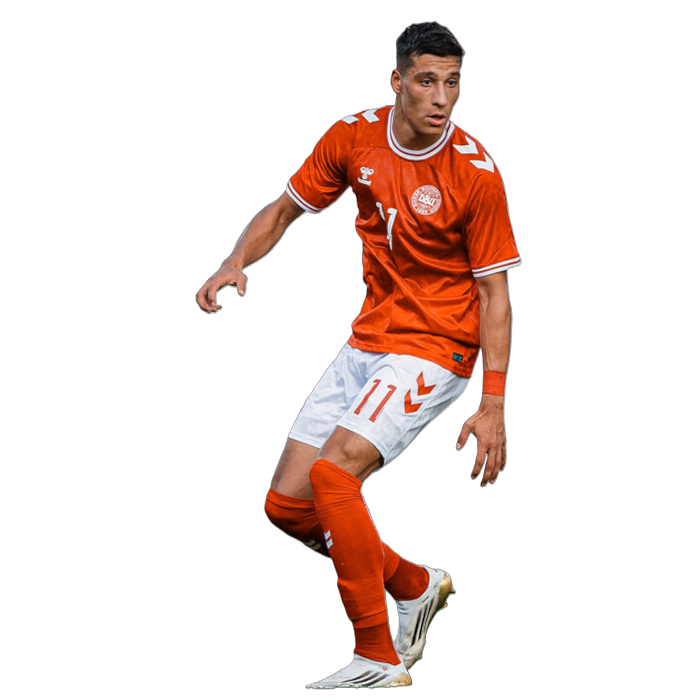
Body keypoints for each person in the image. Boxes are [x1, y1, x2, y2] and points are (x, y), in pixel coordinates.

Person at [196, 21, 520, 689]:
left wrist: (492, 404)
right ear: (397, 81)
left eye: (453, 82)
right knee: (286, 507)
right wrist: (234, 261)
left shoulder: (475, 173)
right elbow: (283, 210)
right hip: (370, 338)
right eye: (426, 81)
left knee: (335, 475)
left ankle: (377, 658)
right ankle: (415, 585)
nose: (442, 97)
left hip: (438, 346)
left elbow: (495, 295)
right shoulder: (353, 137)